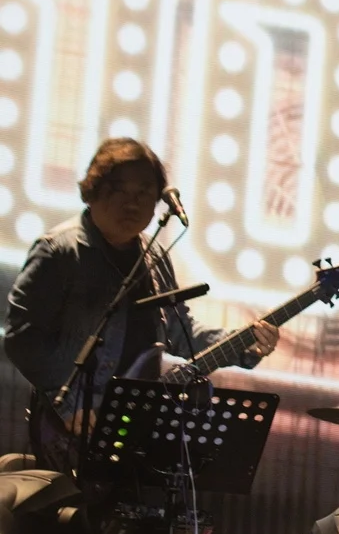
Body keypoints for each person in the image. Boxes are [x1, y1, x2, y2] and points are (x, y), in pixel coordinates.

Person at [4, 138, 280, 479]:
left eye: (144, 192)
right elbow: (22, 339)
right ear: (93, 191)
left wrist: (246, 342)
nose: (132, 202)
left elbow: (181, 334)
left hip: (133, 431)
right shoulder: (59, 251)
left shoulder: (154, 259)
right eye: (119, 189)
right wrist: (70, 405)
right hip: (69, 431)